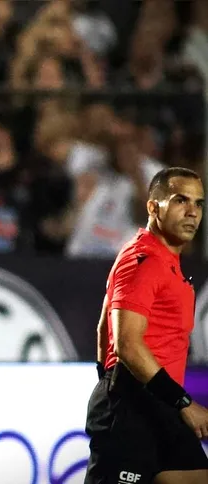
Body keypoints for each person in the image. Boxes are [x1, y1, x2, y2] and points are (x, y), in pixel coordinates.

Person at [84, 167, 208, 484]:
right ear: (153, 207)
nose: (192, 212)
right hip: (133, 410)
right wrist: (115, 389)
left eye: (199, 203)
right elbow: (125, 342)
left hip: (160, 407)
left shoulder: (165, 262)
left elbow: (103, 327)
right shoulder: (144, 260)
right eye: (181, 200)